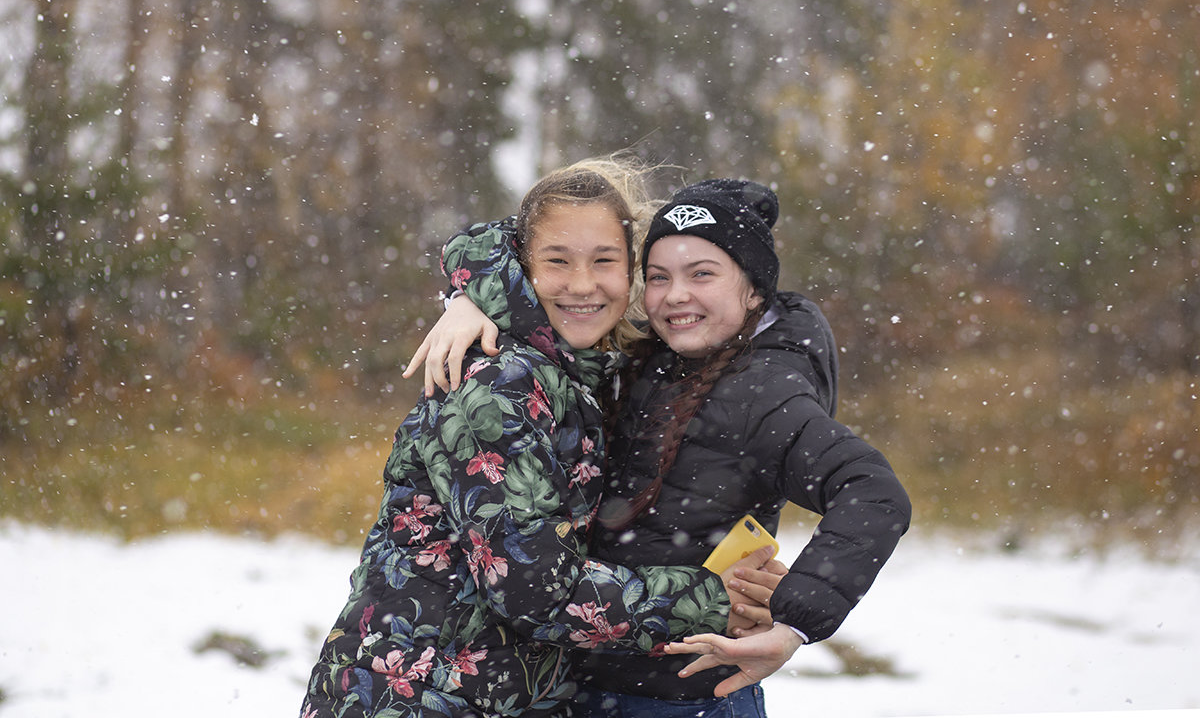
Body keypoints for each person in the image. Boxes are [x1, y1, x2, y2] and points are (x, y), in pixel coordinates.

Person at [415, 178, 912, 716]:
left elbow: (872, 493)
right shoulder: (650, 357)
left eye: (702, 274)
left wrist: (794, 621)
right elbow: (546, 235)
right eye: (658, 277)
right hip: (588, 684)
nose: (677, 295)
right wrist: (473, 296)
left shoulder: (764, 392)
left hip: (684, 696)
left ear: (754, 291)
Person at [299, 160, 753, 718]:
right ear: (522, 265)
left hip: (490, 696)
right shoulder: (500, 384)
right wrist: (713, 599)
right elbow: (537, 592)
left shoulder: (577, 374)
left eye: (604, 261)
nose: (583, 285)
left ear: (631, 271)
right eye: (557, 262)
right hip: (417, 698)